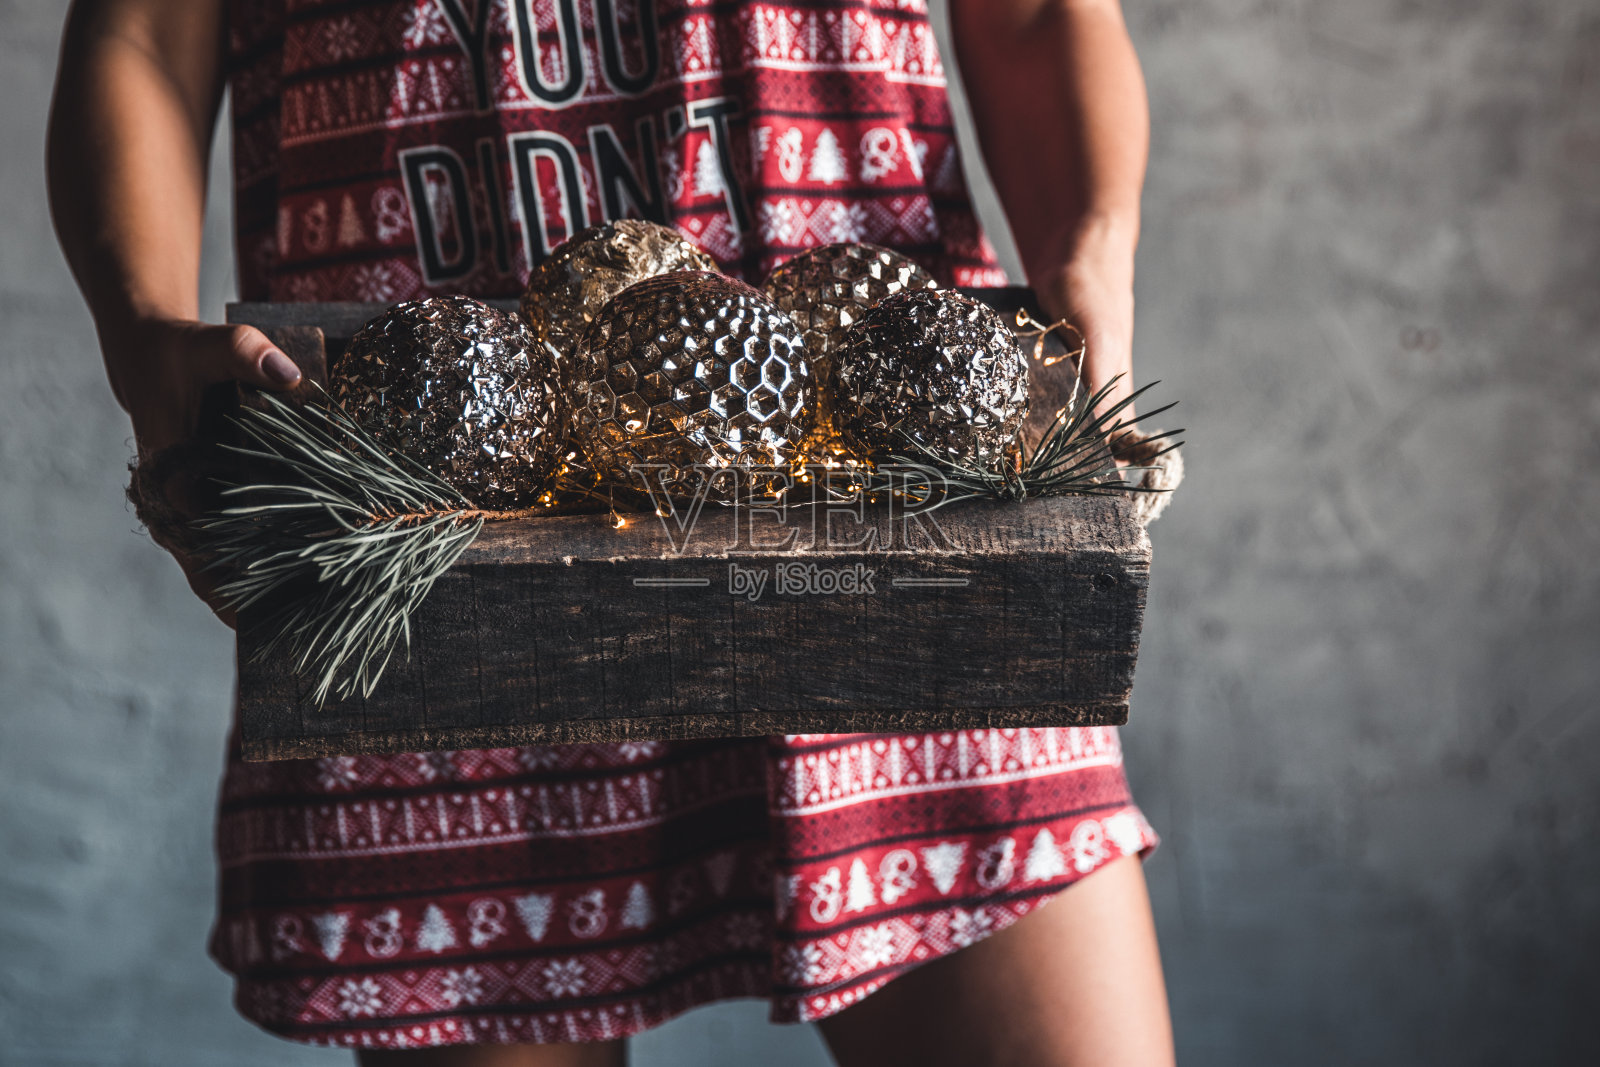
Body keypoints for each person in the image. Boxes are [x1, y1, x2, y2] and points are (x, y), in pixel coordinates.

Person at [47, 0, 1172, 1063]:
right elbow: (146, 27)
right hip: (434, 511)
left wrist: (1095, 254)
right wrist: (142, 328)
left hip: (887, 452)